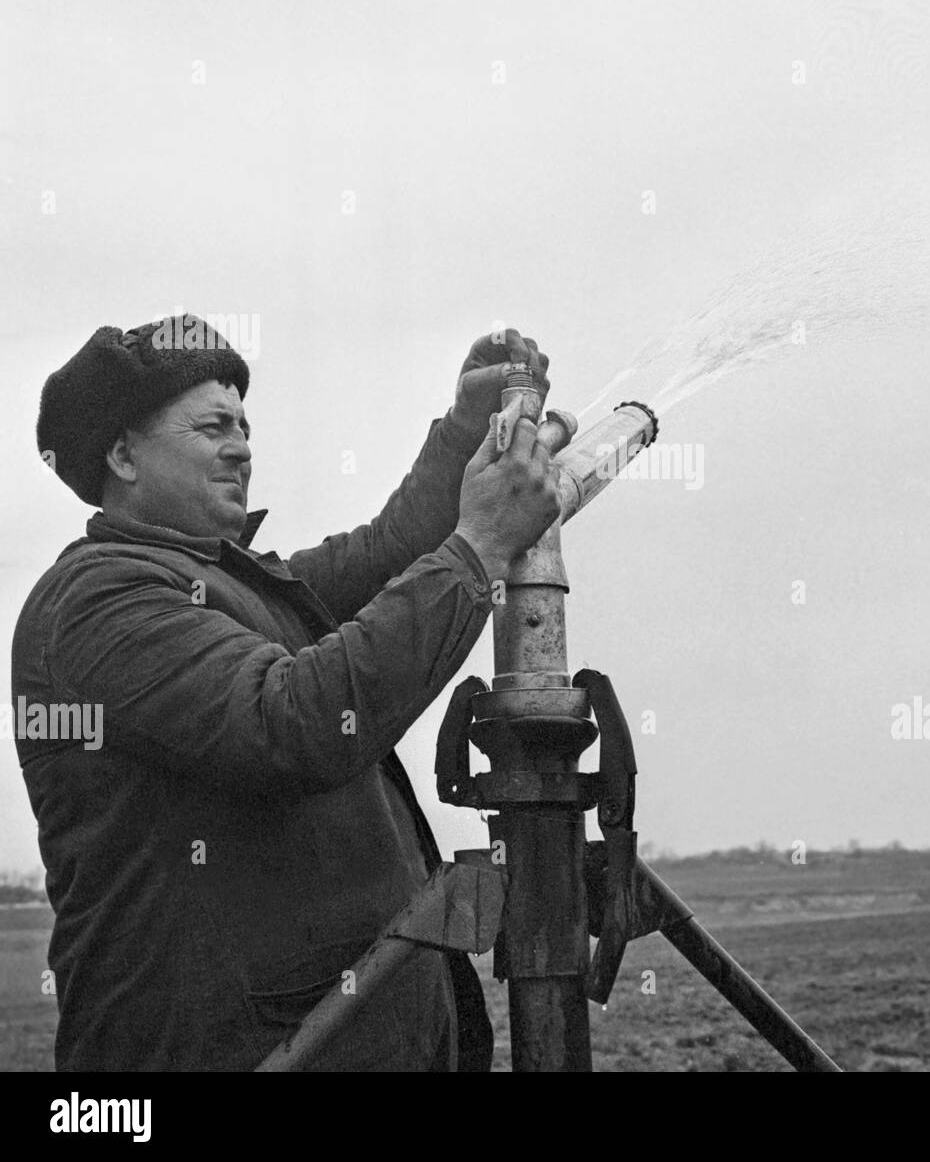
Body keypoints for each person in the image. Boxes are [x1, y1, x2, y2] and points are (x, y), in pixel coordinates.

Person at [11, 314, 561, 1071]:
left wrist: (473, 427)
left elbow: (389, 553)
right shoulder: (97, 599)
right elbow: (292, 721)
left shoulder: (234, 590)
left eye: (244, 424)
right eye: (212, 426)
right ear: (121, 453)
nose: (241, 445)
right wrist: (482, 547)